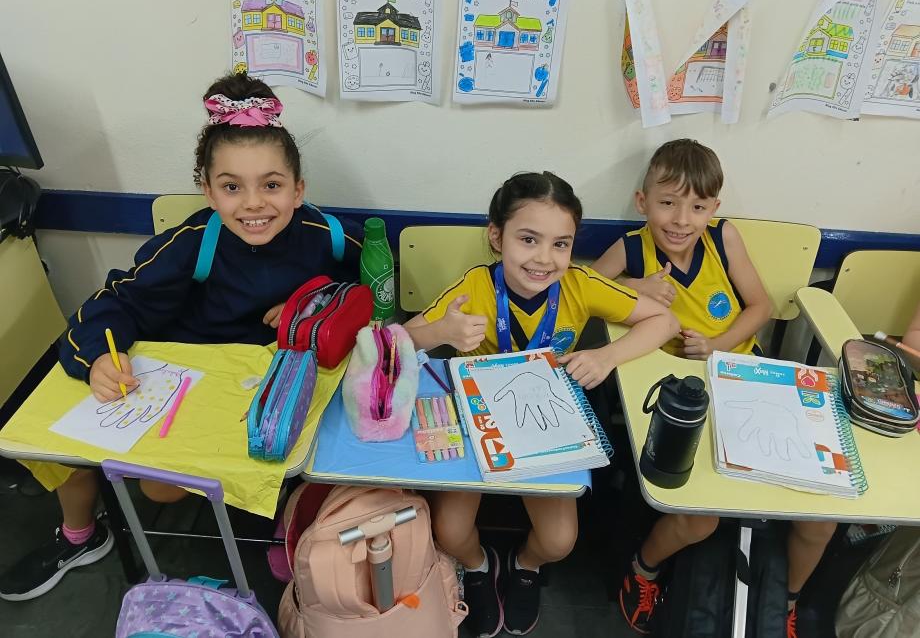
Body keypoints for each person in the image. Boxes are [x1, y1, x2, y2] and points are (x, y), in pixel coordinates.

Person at [0, 72, 362, 602]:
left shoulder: (327, 236)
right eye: (232, 187)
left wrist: (311, 299)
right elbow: (114, 301)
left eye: (272, 185)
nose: (254, 204)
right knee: (158, 488)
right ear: (208, 191)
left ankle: (290, 521)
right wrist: (99, 357)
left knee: (311, 452)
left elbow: (365, 292)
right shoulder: (193, 243)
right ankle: (83, 535)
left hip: (277, 389)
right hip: (197, 389)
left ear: (298, 189)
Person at [406, 171, 678, 637]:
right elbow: (400, 339)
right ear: (497, 237)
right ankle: (478, 565)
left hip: (546, 426)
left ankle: (525, 565)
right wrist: (441, 333)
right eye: (528, 239)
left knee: (559, 541)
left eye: (560, 244)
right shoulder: (475, 287)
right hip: (481, 423)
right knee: (449, 533)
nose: (544, 259)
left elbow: (665, 321)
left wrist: (607, 355)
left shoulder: (580, 284)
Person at [594, 139, 835, 637]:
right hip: (675, 390)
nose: (682, 220)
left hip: (742, 375)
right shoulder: (632, 248)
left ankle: (782, 601)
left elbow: (760, 306)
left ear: (714, 208)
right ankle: (643, 570)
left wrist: (718, 346)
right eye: (668, 203)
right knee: (699, 515)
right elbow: (582, 287)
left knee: (819, 520)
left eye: (698, 207)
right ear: (642, 202)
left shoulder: (724, 239)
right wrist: (635, 288)